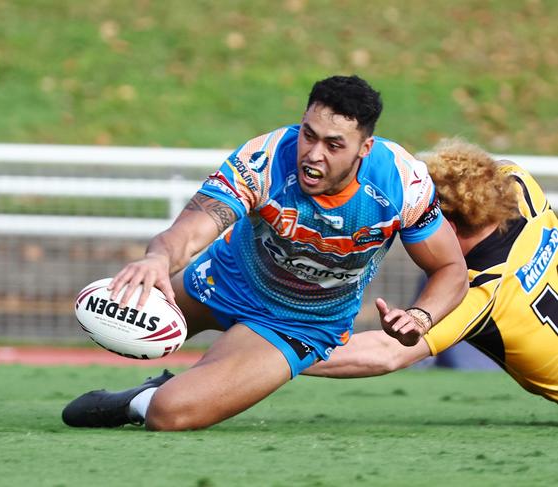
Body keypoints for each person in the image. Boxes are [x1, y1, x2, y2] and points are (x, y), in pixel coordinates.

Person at [62, 75, 468, 431]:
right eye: (309, 134)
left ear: (364, 148)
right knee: (113, 317)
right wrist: (158, 258)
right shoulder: (266, 157)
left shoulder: (401, 184)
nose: (313, 154)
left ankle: (143, 398)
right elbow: (189, 231)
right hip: (226, 277)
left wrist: (420, 316)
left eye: (334, 144)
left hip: (300, 322)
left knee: (170, 414)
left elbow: (451, 269)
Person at [303, 139, 558, 404]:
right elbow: (498, 168)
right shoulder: (522, 187)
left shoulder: (479, 292)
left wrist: (281, 352)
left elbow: (387, 352)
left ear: (449, 225)